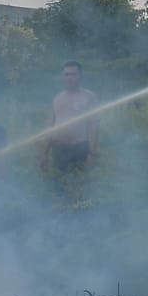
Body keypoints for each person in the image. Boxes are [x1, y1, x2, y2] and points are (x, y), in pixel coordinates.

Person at [40, 61, 99, 198]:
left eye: (73, 74)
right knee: (59, 189)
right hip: (59, 150)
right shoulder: (57, 98)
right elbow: (51, 126)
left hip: (80, 150)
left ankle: (82, 216)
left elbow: (94, 127)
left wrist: (92, 154)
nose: (69, 78)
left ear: (80, 77)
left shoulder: (89, 97)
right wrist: (44, 153)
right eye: (66, 74)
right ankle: (62, 216)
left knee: (81, 190)